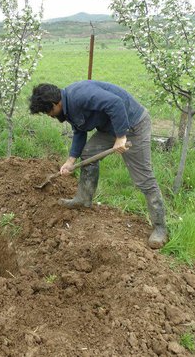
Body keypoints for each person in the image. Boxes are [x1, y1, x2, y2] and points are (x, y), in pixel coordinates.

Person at [29, 80, 168, 249]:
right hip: (110, 129)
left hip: (133, 126)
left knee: (143, 178)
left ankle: (160, 228)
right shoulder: (67, 108)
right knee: (89, 154)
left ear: (54, 103)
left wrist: (121, 137)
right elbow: (79, 131)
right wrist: (70, 160)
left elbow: (115, 103)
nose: (49, 116)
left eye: (48, 111)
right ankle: (83, 198)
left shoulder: (80, 96)